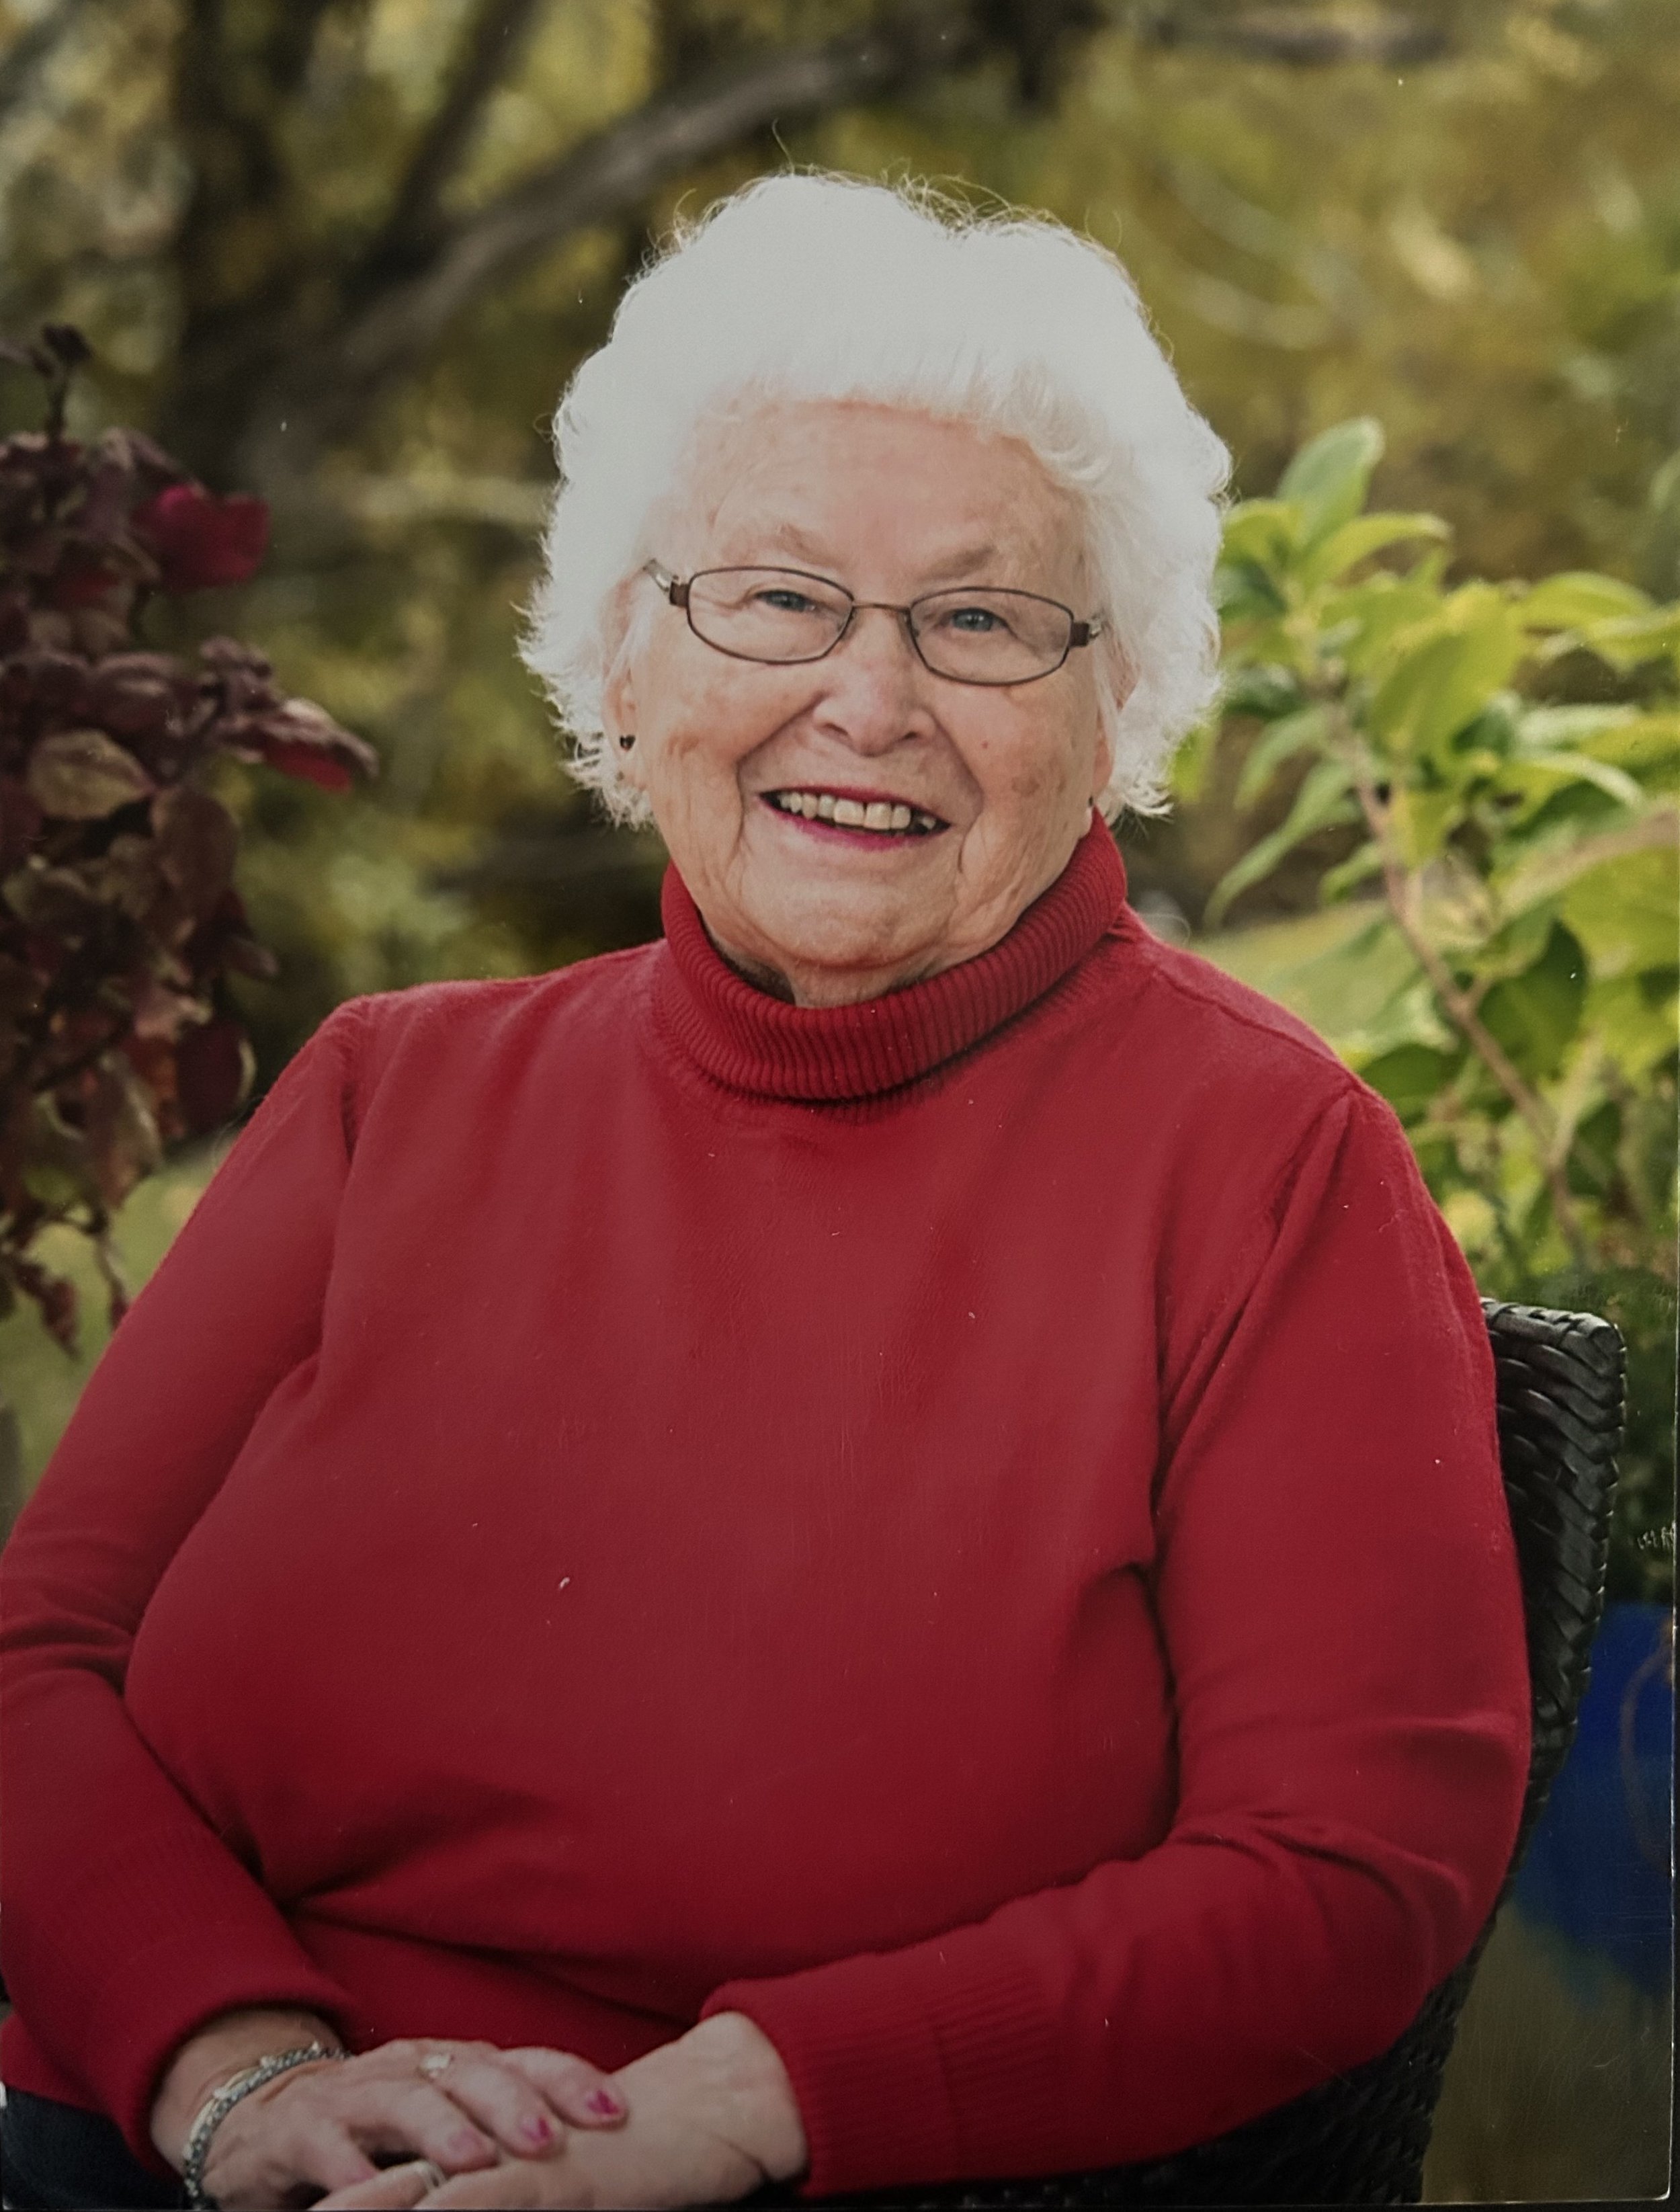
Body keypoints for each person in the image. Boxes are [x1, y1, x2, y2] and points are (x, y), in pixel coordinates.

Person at [0, 173, 1530, 2212]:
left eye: (979, 620)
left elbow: (1347, 1867)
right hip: (162, 2142)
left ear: (1115, 714)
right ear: (627, 665)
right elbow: (36, 1666)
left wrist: (730, 2110)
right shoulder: (387, 1090)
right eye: (777, 597)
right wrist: (234, 2073)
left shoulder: (1270, 1167)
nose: (868, 700)